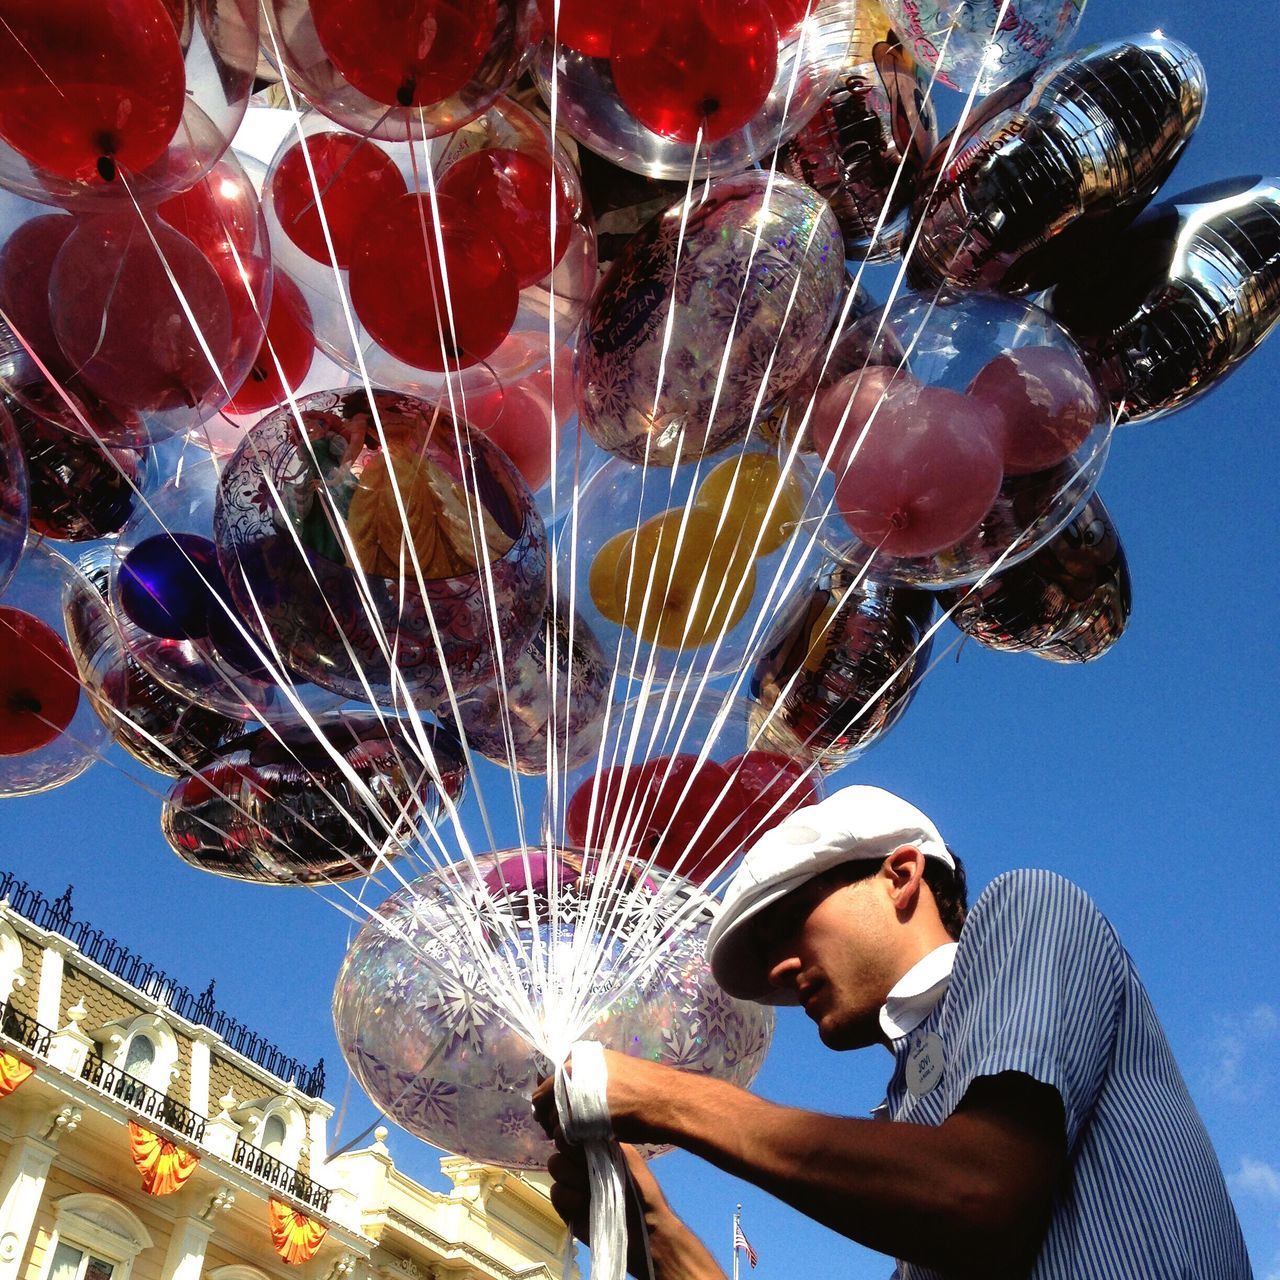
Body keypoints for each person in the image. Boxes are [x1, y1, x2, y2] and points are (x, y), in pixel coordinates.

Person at [532, 784, 1254, 1279]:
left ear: (901, 874)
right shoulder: (902, 1128)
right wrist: (654, 1232)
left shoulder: (1029, 908)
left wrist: (673, 1102)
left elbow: (981, 1193)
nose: (783, 968)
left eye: (789, 923)